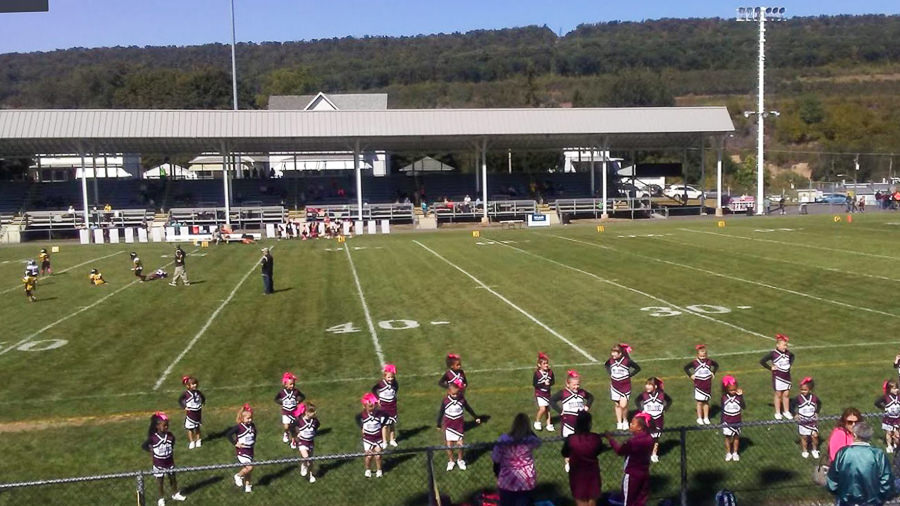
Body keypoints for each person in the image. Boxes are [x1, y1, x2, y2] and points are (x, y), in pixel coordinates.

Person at [827, 421, 895, 506]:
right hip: (872, 502)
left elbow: (833, 478)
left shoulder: (843, 453)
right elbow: (886, 480)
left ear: (854, 435)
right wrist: (882, 497)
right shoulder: (877, 454)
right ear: (869, 436)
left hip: (846, 501)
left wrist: (837, 492)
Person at [491, 413, 541, 506]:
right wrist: (530, 431)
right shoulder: (530, 439)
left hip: (507, 478)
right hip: (527, 478)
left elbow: (495, 458)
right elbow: (539, 443)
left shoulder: (504, 439)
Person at [605, 413, 654, 506]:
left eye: (632, 424)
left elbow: (619, 451)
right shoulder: (650, 438)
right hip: (644, 473)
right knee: (641, 500)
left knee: (629, 501)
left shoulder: (633, 442)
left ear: (639, 428)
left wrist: (610, 439)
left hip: (632, 475)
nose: (630, 425)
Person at [550, 369, 594, 472]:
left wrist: (587, 406)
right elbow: (552, 400)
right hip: (567, 423)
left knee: (580, 443)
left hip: (580, 424)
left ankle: (580, 460)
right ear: (567, 383)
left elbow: (591, 397)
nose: (576, 387)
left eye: (578, 384)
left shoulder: (582, 392)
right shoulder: (563, 393)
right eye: (574, 385)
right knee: (568, 443)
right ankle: (568, 462)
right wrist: (560, 411)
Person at [141, 412, 186, 505]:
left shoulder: (170, 436)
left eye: (167, 426)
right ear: (157, 426)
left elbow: (172, 444)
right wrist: (151, 450)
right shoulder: (153, 438)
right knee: (160, 481)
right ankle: (161, 498)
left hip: (169, 462)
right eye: (164, 426)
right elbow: (144, 446)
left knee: (173, 478)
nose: (166, 427)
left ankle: (175, 493)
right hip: (158, 464)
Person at [437, 378, 481, 471]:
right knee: (449, 445)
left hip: (459, 425)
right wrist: (438, 424)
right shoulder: (445, 401)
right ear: (449, 392)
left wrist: (475, 417)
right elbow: (441, 412)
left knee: (460, 444)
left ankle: (460, 460)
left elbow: (468, 408)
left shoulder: (462, 400)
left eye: (457, 393)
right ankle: (451, 461)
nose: (456, 395)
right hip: (449, 425)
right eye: (454, 394)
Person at [561, 411, 604, 506]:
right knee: (593, 497)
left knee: (580, 497)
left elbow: (564, 452)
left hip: (577, 474)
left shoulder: (571, 439)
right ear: (589, 423)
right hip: (592, 472)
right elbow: (599, 450)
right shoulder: (595, 438)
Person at [635, 377, 672, 463]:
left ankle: (654, 453)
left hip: (658, 419)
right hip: (648, 419)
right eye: (646, 384)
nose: (647, 386)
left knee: (656, 437)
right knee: (646, 436)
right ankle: (645, 452)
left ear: (655, 386)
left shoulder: (662, 394)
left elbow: (669, 400)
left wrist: (665, 408)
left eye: (649, 385)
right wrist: (641, 409)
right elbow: (637, 400)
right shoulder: (644, 394)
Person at [606, 343, 641, 430]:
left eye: (615, 352)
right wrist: (610, 373)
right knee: (617, 404)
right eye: (612, 352)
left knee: (623, 405)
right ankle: (619, 422)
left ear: (620, 353)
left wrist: (630, 375)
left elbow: (637, 368)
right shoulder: (610, 361)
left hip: (625, 386)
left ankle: (625, 420)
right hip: (614, 386)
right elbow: (606, 365)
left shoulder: (627, 361)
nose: (613, 354)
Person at [760, 333, 794, 420]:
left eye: (786, 345)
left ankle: (786, 411)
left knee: (786, 394)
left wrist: (790, 365)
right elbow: (762, 361)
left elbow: (793, 356)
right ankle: (778, 412)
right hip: (778, 377)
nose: (785, 347)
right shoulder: (773, 354)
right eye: (783, 345)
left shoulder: (788, 353)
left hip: (787, 377)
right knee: (778, 394)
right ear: (777, 345)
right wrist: (770, 368)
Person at [684, 344, 718, 425]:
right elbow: (686, 368)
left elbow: (716, 365)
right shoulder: (695, 362)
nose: (703, 355)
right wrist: (691, 375)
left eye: (704, 353)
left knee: (706, 402)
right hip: (699, 385)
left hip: (707, 385)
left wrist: (713, 372)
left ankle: (706, 417)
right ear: (697, 354)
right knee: (699, 402)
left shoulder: (709, 361)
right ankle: (699, 418)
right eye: (701, 353)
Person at [358, 392, 388, 478]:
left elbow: (386, 416)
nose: (372, 407)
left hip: (378, 438)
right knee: (369, 456)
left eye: (373, 405)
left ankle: (379, 470)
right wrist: (362, 429)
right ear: (364, 406)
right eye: (369, 406)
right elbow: (360, 423)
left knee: (378, 456)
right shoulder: (362, 415)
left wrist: (380, 407)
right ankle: (368, 469)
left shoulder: (379, 414)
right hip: (368, 439)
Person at [227, 404, 256, 494]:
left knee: (248, 470)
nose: (250, 420)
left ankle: (248, 486)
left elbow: (255, 433)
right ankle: (238, 476)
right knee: (250, 467)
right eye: (248, 418)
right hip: (242, 451)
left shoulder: (252, 425)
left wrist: (253, 440)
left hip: (250, 450)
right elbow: (228, 434)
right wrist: (235, 443)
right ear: (242, 419)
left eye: (251, 418)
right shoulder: (239, 427)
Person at [791, 377, 822, 459]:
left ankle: (814, 450)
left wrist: (817, 412)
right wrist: (795, 414)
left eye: (805, 390)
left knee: (814, 436)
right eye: (801, 390)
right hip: (803, 421)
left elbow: (819, 403)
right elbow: (791, 406)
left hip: (812, 421)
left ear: (810, 390)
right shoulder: (798, 398)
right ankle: (805, 450)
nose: (803, 391)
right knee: (804, 437)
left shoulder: (814, 398)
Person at [274, 372, 305, 447]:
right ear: (285, 384)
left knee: (293, 427)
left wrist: (298, 401)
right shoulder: (282, 392)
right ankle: (286, 433)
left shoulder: (296, 391)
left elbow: (303, 396)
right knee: (286, 426)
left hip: (294, 412)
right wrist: (281, 402)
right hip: (285, 412)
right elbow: (276, 399)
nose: (293, 386)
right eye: (291, 384)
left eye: (293, 384)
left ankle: (293, 441)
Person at [372, 364, 399, 447]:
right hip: (384, 406)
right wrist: (377, 399)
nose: (390, 379)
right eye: (388, 377)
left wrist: (393, 397)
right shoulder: (381, 384)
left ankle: (392, 439)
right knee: (384, 424)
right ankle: (384, 441)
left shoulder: (395, 383)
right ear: (384, 377)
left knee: (392, 424)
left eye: (392, 377)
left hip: (392, 406)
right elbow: (374, 389)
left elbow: (396, 388)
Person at [292, 403, 320, 483]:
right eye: (312, 411)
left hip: (310, 442)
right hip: (302, 441)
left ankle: (311, 475)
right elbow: (293, 427)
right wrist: (296, 434)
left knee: (310, 461)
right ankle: (304, 465)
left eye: (314, 411)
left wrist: (313, 432)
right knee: (306, 457)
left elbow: (317, 426)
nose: (314, 413)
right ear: (306, 412)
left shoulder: (315, 421)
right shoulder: (300, 421)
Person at [721, 375, 745, 462]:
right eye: (731, 390)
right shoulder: (724, 398)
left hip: (737, 421)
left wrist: (741, 396)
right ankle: (728, 452)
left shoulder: (738, 397)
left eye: (734, 389)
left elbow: (743, 407)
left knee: (736, 437)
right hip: (727, 421)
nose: (733, 391)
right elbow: (722, 410)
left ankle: (735, 452)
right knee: (727, 437)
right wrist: (722, 421)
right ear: (726, 389)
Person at [178, 376, 205, 450]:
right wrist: (184, 407)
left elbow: (203, 397)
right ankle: (191, 441)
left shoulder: (198, 392)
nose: (195, 385)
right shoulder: (186, 394)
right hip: (191, 413)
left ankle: (198, 440)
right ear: (188, 386)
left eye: (195, 383)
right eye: (193, 384)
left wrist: (203, 402)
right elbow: (180, 400)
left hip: (198, 412)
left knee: (197, 426)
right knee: (190, 428)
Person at [533, 352, 555, 432]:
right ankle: (537, 422)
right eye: (544, 363)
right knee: (542, 409)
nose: (546, 365)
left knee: (548, 409)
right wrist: (543, 384)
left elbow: (553, 382)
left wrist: (549, 383)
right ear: (539, 365)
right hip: (540, 394)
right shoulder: (537, 374)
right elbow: (535, 384)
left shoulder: (550, 372)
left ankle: (549, 424)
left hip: (547, 394)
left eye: (547, 363)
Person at [876, 381, 900, 453]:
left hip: (897, 418)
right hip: (888, 418)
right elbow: (877, 402)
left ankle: (896, 444)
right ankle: (889, 446)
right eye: (895, 388)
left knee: (897, 433)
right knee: (889, 432)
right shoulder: (886, 397)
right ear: (890, 389)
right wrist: (884, 408)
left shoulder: (898, 396)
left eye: (897, 388)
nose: (897, 390)